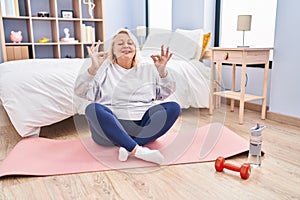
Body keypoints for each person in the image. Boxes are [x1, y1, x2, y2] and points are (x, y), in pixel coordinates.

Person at [74, 29, 181, 165]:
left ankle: (129, 146)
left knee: (174, 107)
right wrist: (93, 69)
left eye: (130, 43)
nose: (126, 46)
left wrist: (162, 72)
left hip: (141, 127)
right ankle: (139, 151)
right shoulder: (104, 69)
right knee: (92, 108)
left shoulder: (148, 68)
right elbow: (80, 91)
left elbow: (165, 93)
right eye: (120, 44)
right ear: (112, 50)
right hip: (109, 131)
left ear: (136, 49)